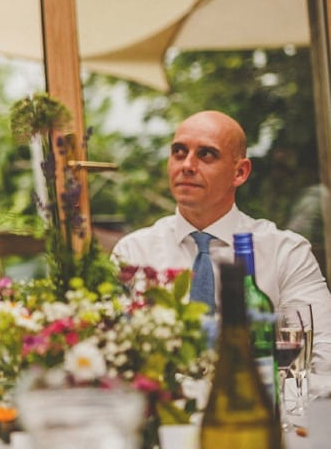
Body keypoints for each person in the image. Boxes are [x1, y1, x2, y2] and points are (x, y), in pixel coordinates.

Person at [112, 110, 331, 370]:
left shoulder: (286, 253)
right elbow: (114, 352)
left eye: (206, 154)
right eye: (179, 152)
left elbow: (321, 354)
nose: (187, 165)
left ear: (240, 172)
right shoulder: (134, 252)